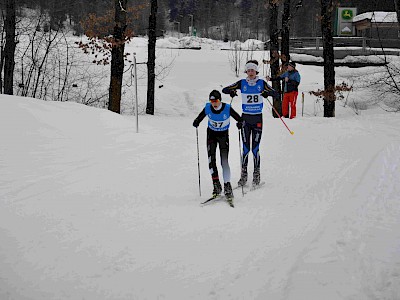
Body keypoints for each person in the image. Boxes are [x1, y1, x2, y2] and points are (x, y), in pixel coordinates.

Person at [222, 60, 279, 187]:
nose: (251, 72)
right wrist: (232, 91)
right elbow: (224, 90)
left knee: (255, 149)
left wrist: (266, 93)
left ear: (256, 71)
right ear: (246, 72)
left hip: (257, 119)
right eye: (248, 70)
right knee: (246, 148)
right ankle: (243, 176)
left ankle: (256, 175)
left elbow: (276, 93)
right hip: (245, 119)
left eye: (253, 70)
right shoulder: (242, 83)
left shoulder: (261, 83)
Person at [193, 90, 242, 198]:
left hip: (223, 136)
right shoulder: (208, 107)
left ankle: (227, 185)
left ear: (220, 100)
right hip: (211, 135)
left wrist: (240, 123)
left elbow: (239, 118)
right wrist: (196, 121)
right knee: (211, 160)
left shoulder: (227, 108)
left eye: (215, 101)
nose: (214, 103)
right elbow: (200, 117)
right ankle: (216, 185)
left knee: (224, 161)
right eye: (212, 101)